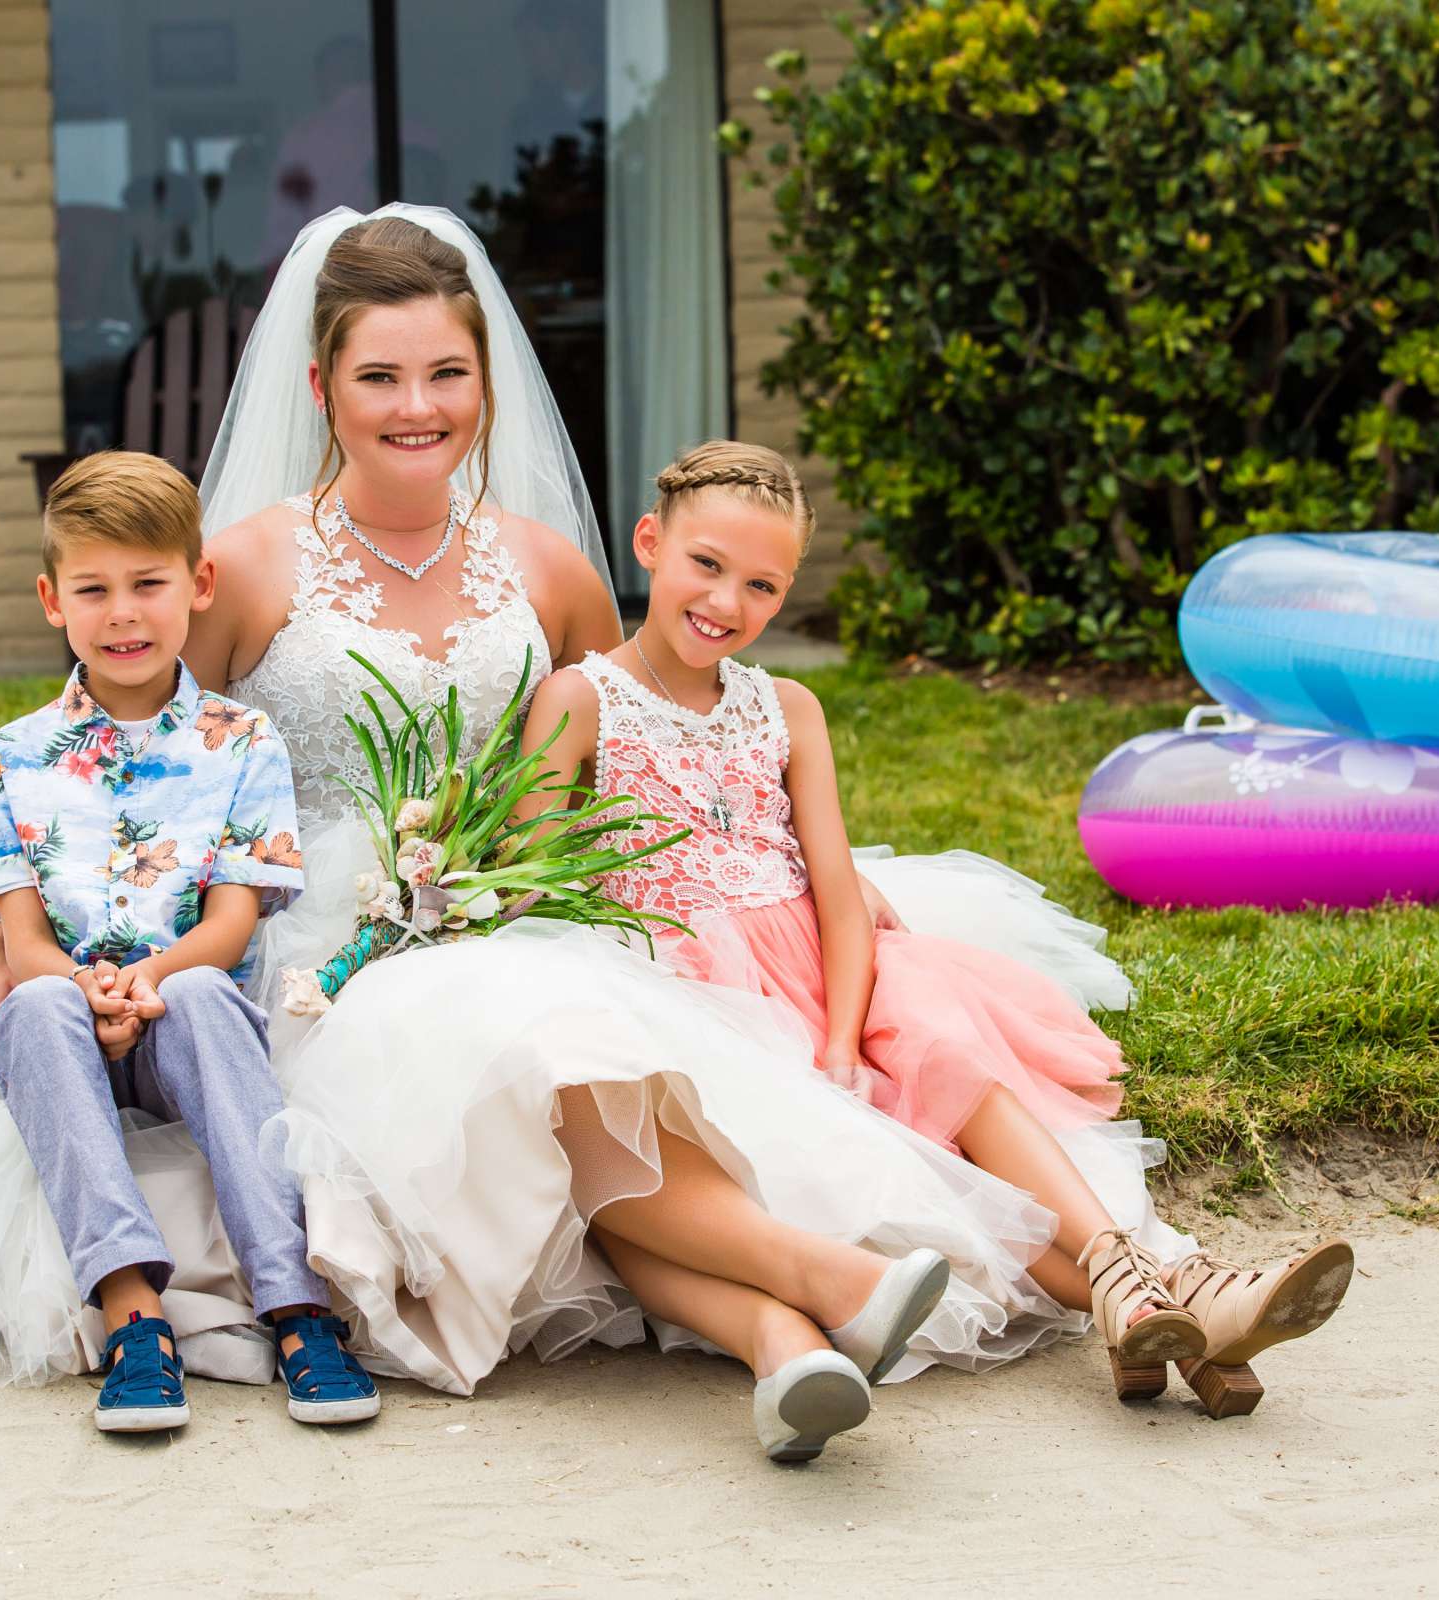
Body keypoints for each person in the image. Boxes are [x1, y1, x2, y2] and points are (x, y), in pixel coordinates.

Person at [59, 206, 1172, 1462]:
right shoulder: (245, 566)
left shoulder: (548, 572)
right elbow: (142, 766)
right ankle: (839, 1283)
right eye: (379, 375)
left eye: (447, 373)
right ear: (321, 386)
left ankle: (826, 1326)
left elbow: (644, 740)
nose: (416, 404)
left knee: (598, 1053)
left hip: (517, 910)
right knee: (526, 1041)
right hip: (323, 941)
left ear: (488, 380)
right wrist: (125, 947)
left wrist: (803, 870)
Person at [525, 440, 1356, 1416]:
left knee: (932, 1032)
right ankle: (1176, 1315)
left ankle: (1128, 1272)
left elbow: (836, 886)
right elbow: (544, 880)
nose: (724, 602)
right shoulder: (582, 698)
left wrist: (840, 1036)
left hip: (822, 963)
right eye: (705, 566)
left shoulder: (787, 705)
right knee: (941, 1177)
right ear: (650, 543)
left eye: (760, 584)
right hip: (702, 984)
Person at [0, 450, 378, 1431]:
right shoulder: (13, 756)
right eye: (93, 589)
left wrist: (147, 979)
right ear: (51, 599)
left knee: (200, 996)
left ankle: (293, 1307)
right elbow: (20, 934)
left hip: (187, 1004)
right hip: (66, 1015)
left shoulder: (242, 741)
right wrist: (84, 988)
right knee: (29, 1004)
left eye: (149, 584)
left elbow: (233, 919)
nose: (123, 613)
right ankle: (132, 1315)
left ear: (196, 586)